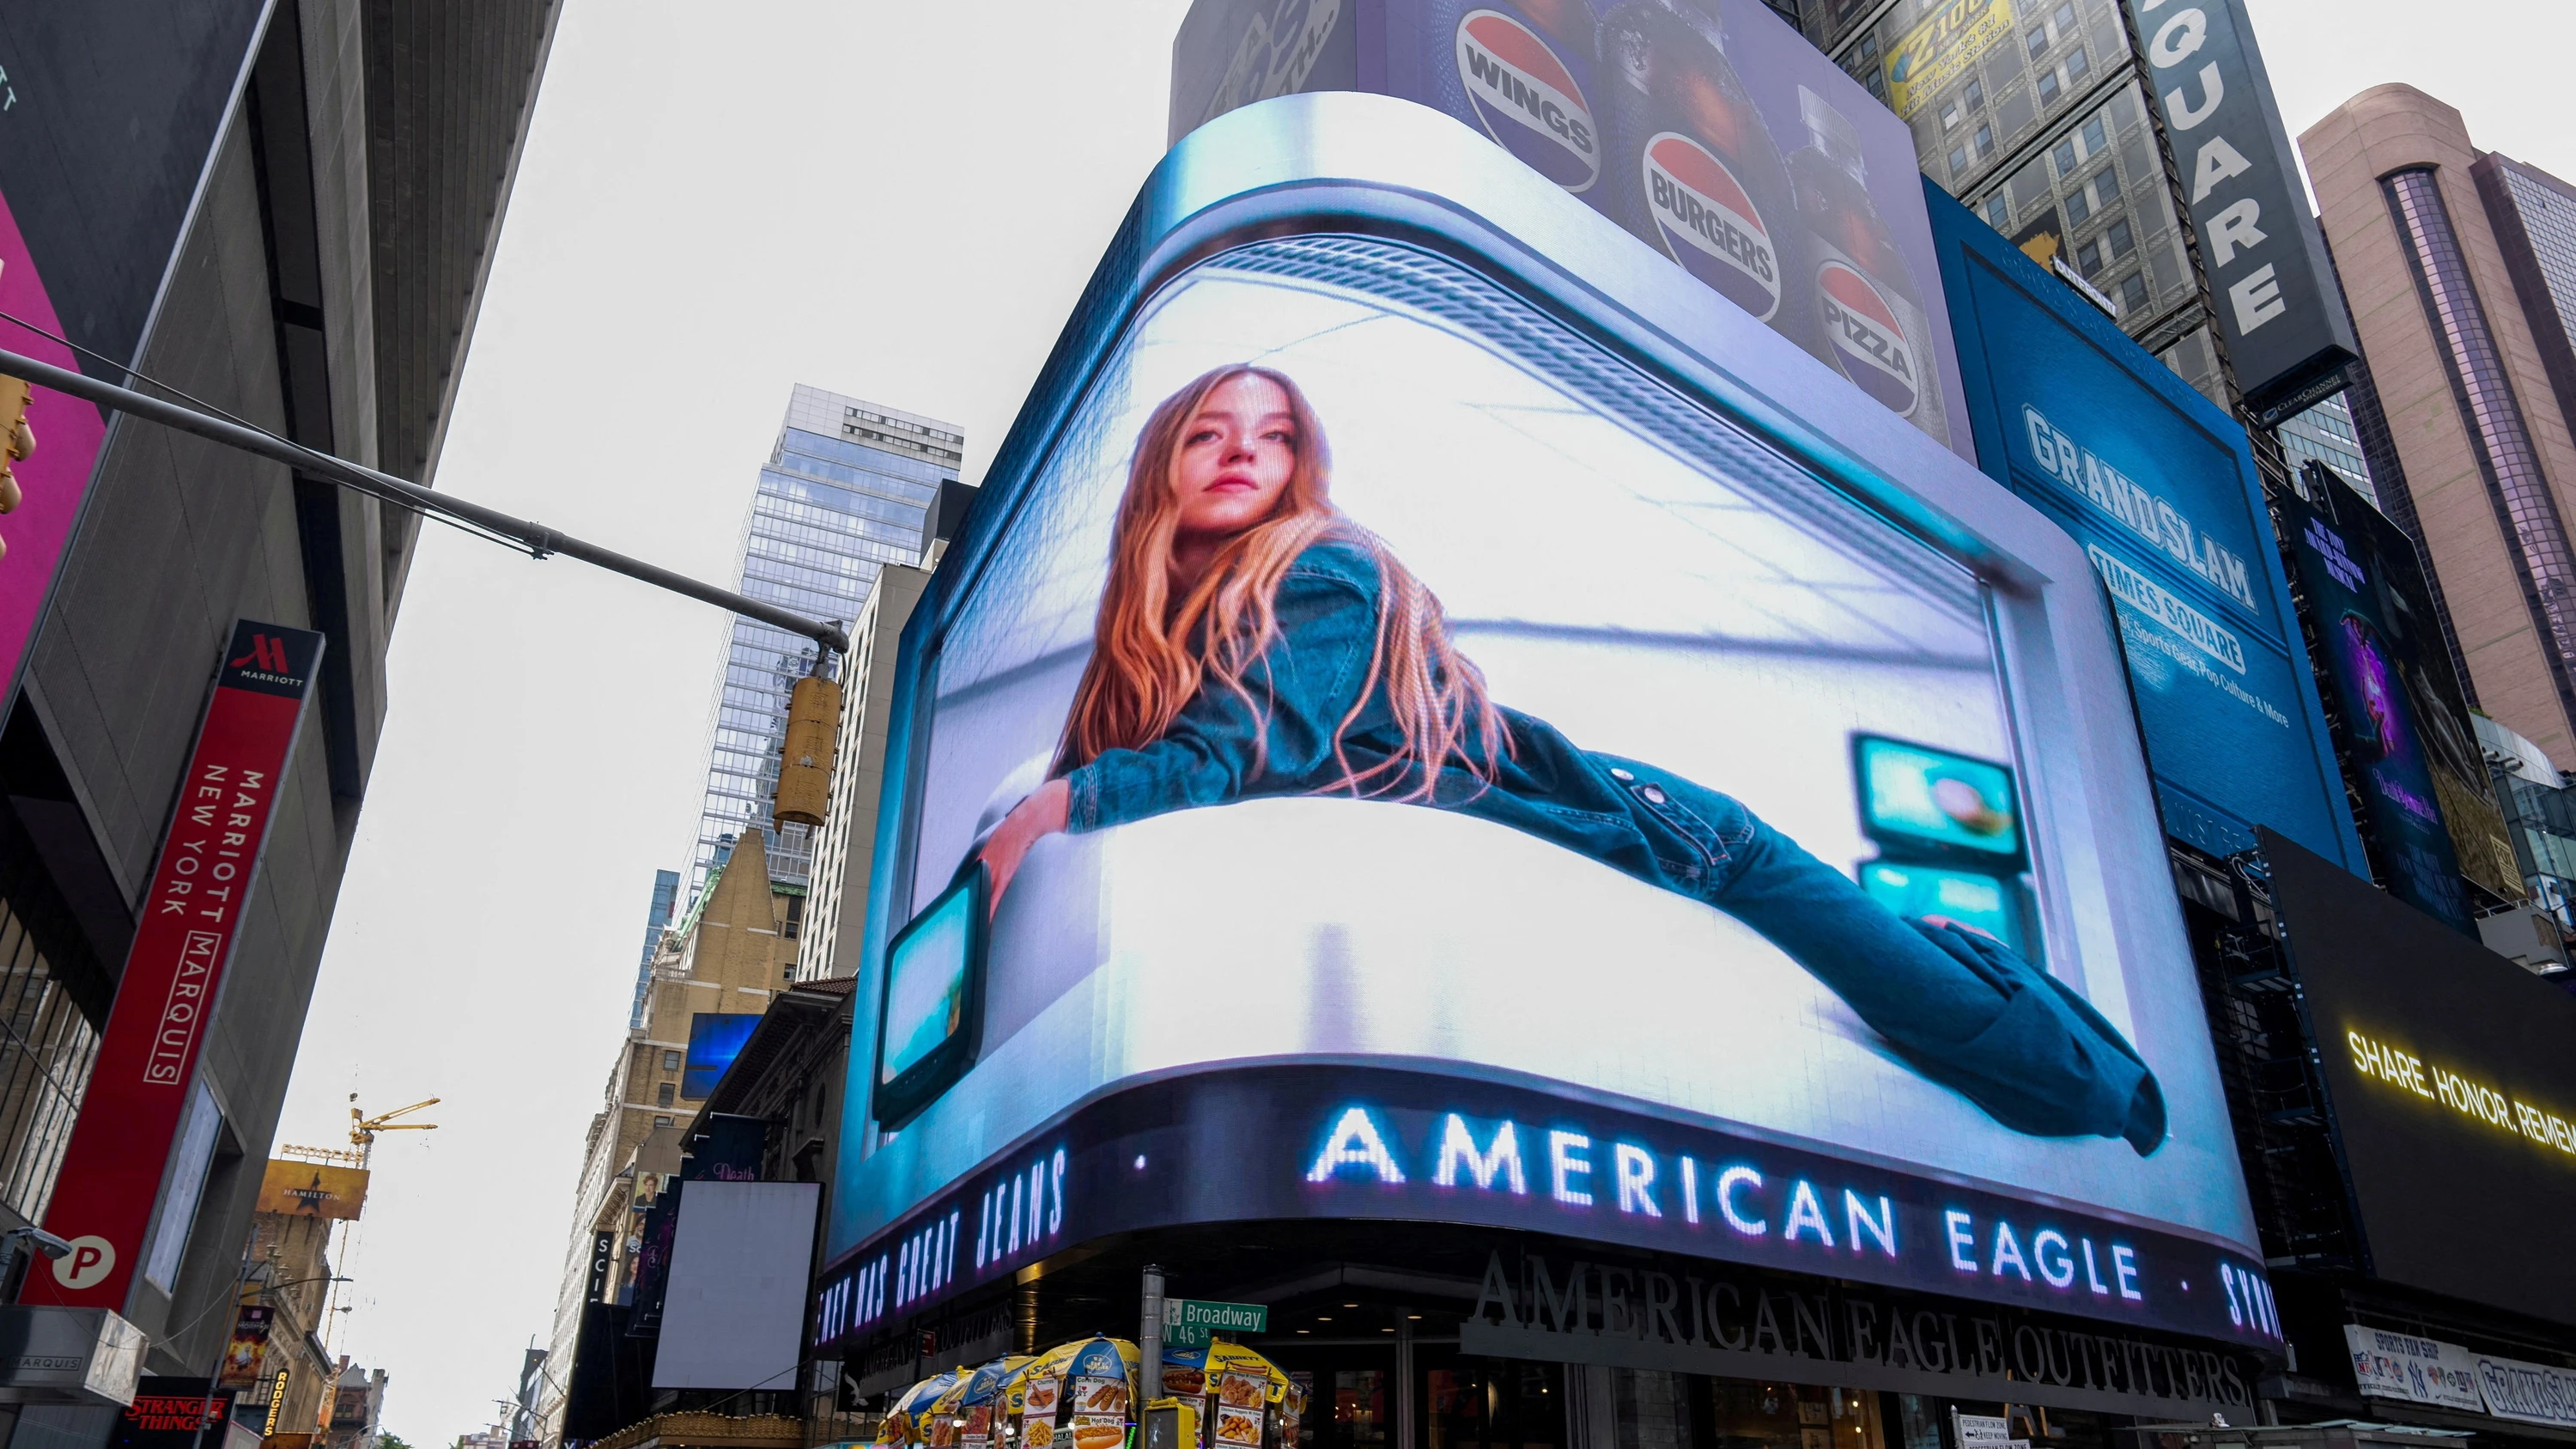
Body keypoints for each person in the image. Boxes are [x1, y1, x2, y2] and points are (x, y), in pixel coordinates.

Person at [976, 364, 2165, 1154]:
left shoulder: (1325, 570)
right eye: (1210, 433)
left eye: (1273, 437)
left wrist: (1059, 803)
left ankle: (2114, 1085)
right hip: (1627, 820)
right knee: (1917, 965)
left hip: (1675, 833)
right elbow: (1176, 760)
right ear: (1164, 463)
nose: (1245, 452)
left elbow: (1241, 749)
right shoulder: (1157, 638)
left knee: (1973, 1035)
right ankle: (1980, 965)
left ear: (1301, 467)